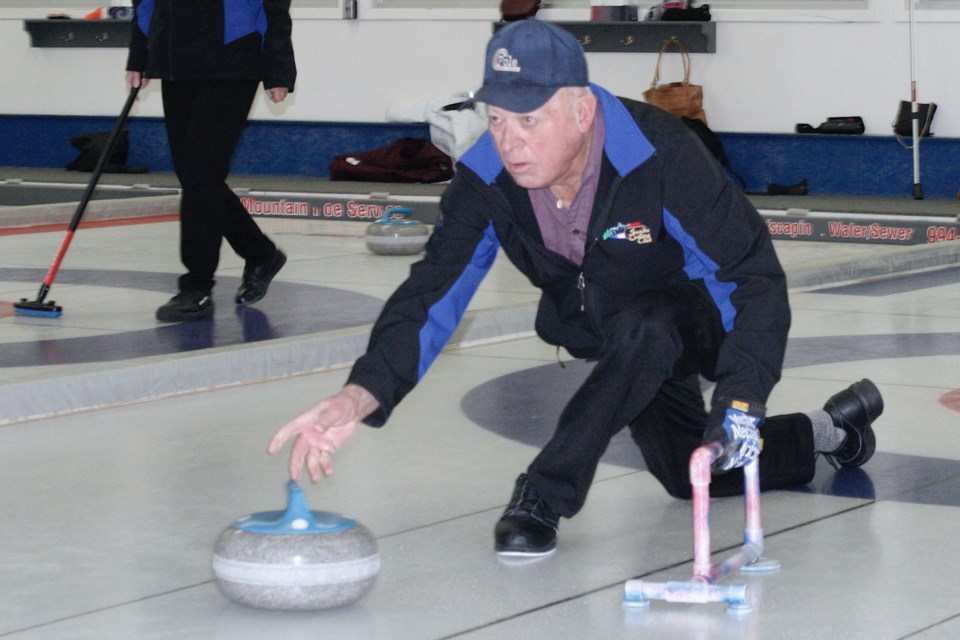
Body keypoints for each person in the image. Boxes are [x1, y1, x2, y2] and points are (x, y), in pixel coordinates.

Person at [267, 19, 884, 557]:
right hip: (618, 336)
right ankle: (834, 429)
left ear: (582, 110)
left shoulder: (662, 155)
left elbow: (752, 278)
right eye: (498, 118)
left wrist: (741, 401)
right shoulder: (487, 179)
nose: (509, 141)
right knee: (690, 473)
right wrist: (360, 393)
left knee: (652, 326)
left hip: (699, 322)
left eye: (529, 121)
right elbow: (433, 292)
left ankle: (544, 493)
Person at [125, 0, 296, 322]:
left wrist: (279, 66)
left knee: (202, 175)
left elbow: (273, 5)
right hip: (176, 60)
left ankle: (197, 286)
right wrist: (141, 52)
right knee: (193, 176)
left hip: (233, 56)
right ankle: (260, 253)